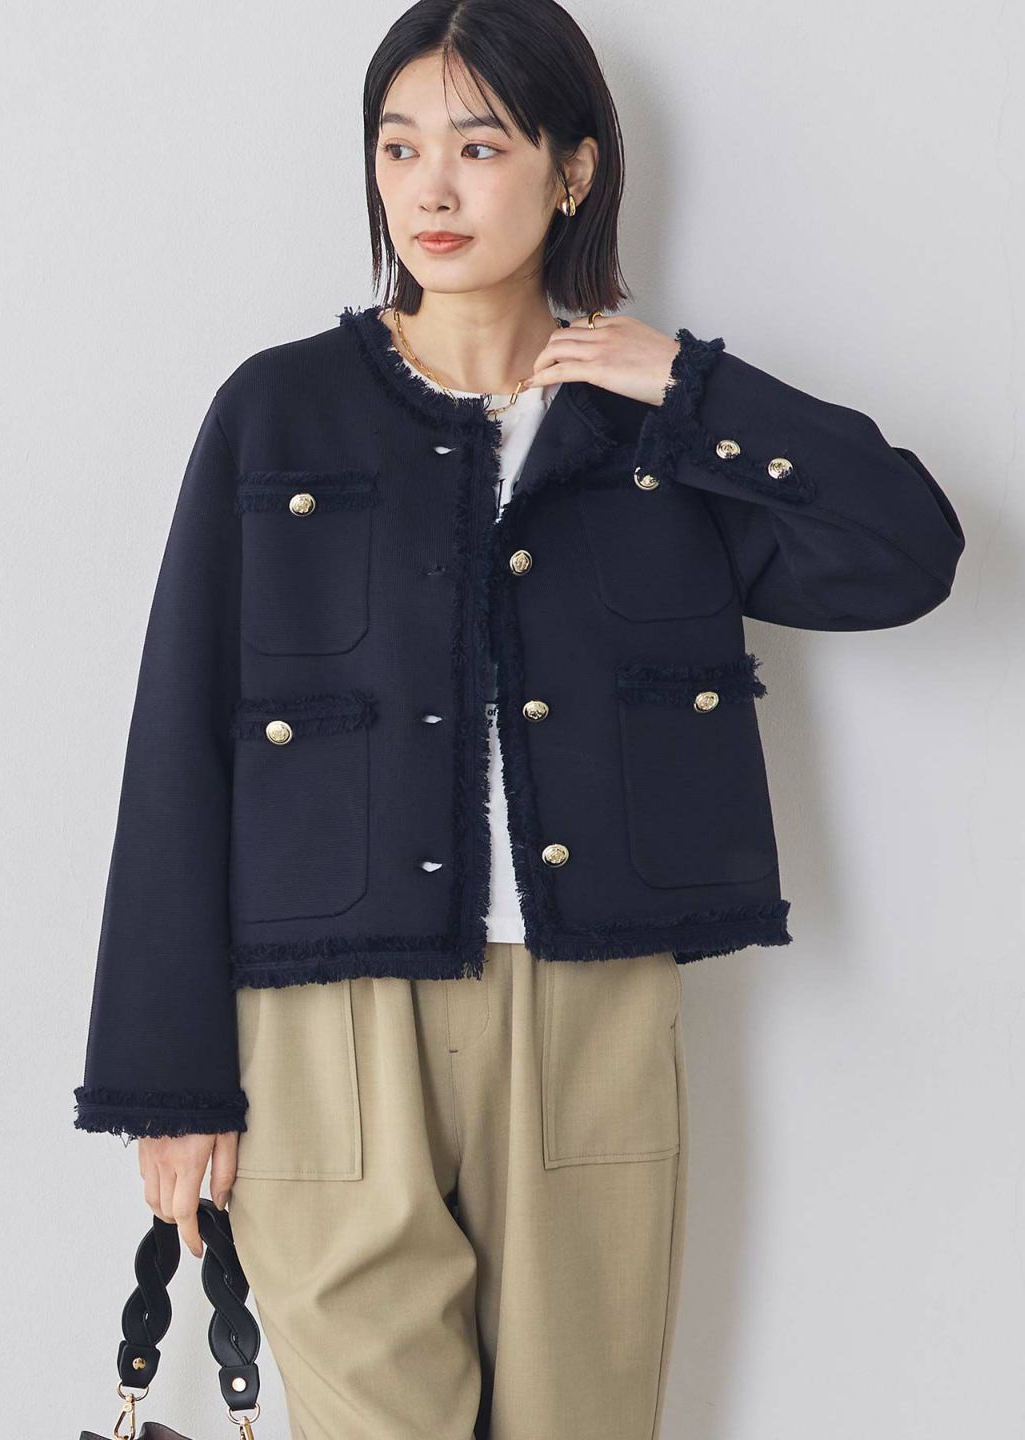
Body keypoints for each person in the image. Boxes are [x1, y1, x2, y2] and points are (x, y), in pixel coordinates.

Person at [72, 2, 966, 1436]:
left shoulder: (653, 435)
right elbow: (177, 739)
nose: (430, 187)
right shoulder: (279, 412)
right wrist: (162, 1082)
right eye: (399, 146)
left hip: (588, 1014)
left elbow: (907, 554)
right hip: (324, 1028)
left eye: (479, 147)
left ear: (573, 171)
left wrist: (689, 383)